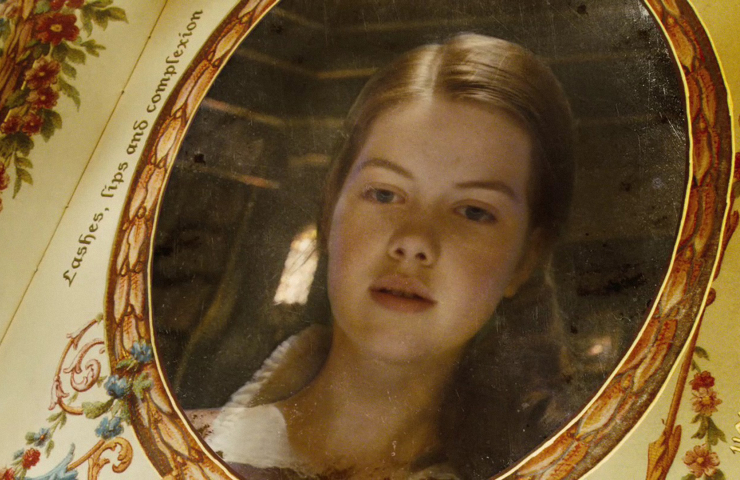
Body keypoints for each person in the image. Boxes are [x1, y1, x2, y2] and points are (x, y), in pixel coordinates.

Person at [187, 33, 576, 480]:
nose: (414, 241)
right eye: (385, 194)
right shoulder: (167, 447)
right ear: (331, 207)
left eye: (473, 211)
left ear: (526, 258)